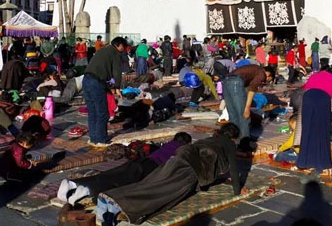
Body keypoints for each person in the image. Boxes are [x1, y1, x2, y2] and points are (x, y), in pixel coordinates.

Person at [97, 124, 247, 225]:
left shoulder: (210, 139)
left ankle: (111, 199)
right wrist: (238, 190)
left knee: (152, 182)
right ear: (233, 137)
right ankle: (123, 205)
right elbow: (233, 168)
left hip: (178, 158)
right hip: (192, 167)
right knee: (164, 191)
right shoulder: (229, 144)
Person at [59, 133, 192, 205]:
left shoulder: (168, 144)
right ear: (186, 143)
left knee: (112, 173)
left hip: (140, 161)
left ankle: (76, 184)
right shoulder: (182, 148)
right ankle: (86, 189)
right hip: (149, 166)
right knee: (121, 182)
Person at [296, 71, 332, 177]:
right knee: (321, 131)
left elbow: (305, 87)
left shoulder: (315, 75)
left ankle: (303, 162)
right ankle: (322, 163)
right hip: (323, 99)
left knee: (307, 129)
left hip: (308, 97)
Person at [83, 37, 126, 147]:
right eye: (123, 47)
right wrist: (117, 87)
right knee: (102, 112)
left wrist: (109, 88)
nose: (123, 49)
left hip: (86, 80)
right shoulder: (115, 52)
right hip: (95, 82)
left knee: (92, 112)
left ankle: (93, 139)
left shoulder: (103, 49)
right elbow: (117, 71)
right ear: (119, 45)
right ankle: (102, 140)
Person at [223, 65, 273, 141]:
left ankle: (233, 140)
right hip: (236, 82)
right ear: (269, 74)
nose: (265, 81)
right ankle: (244, 142)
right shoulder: (261, 73)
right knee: (244, 116)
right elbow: (252, 90)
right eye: (269, 80)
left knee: (233, 114)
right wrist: (247, 108)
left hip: (226, 81)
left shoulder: (254, 69)